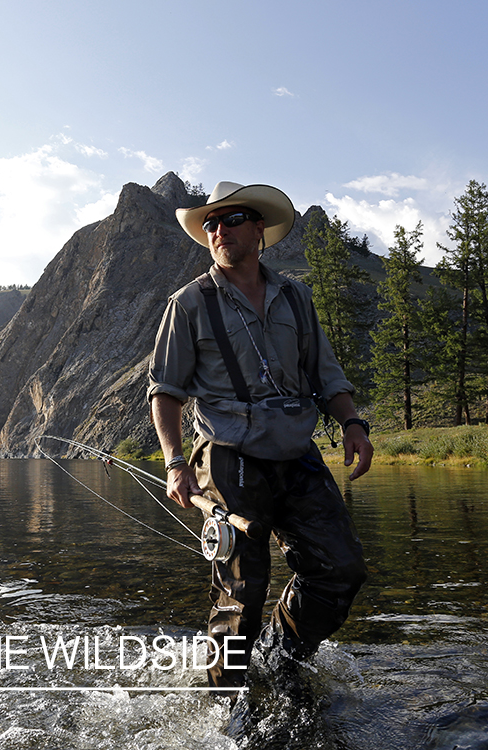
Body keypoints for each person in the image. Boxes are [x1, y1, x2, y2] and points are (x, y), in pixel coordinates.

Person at [147, 181, 371, 694]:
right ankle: (224, 702)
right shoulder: (188, 304)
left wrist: (352, 423)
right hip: (228, 458)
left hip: (297, 454)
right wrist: (175, 463)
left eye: (232, 219)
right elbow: (164, 391)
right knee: (241, 592)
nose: (219, 230)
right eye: (211, 223)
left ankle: (277, 659)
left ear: (259, 229)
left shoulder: (296, 296)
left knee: (341, 569)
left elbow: (325, 373)